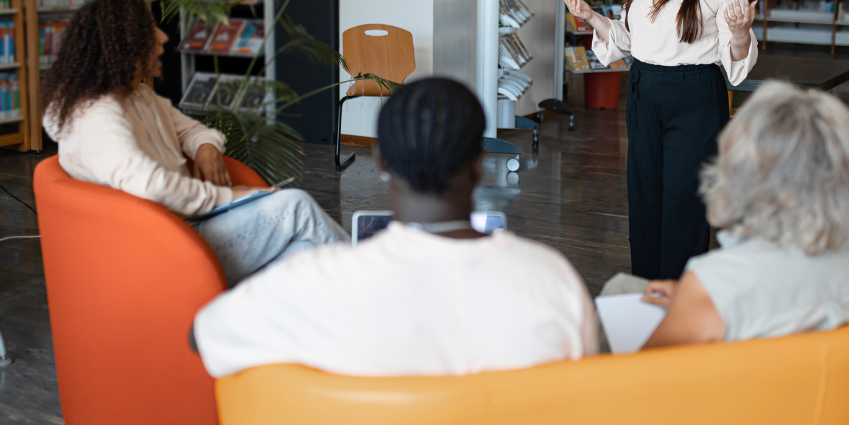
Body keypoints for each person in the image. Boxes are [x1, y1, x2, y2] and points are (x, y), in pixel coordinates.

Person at [193, 78, 598, 378]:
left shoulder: (313, 283)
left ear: (381, 160)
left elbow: (203, 336)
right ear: (478, 161)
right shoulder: (552, 278)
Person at [40, 0, 346, 286]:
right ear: (122, 45)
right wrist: (230, 197)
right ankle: (379, 284)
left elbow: (191, 130)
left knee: (305, 256)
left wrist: (207, 147)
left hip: (184, 227)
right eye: (149, 29)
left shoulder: (138, 95)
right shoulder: (97, 115)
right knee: (294, 206)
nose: (163, 37)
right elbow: (151, 185)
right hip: (161, 249)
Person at [563, 0, 758, 280]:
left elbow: (736, 58)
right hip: (644, 90)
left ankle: (678, 291)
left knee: (685, 198)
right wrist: (590, 17)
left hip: (695, 94)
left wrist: (740, 33)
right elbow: (626, 40)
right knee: (645, 191)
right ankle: (646, 284)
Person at [601, 82, 849, 348]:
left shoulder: (717, 280)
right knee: (623, 287)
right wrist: (693, 298)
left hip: (717, 390)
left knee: (615, 298)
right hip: (808, 386)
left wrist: (697, 296)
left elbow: (644, 370)